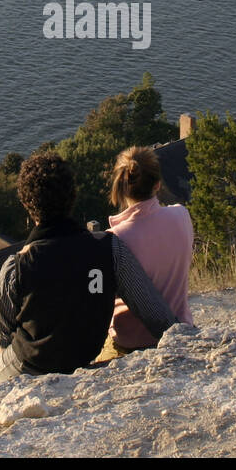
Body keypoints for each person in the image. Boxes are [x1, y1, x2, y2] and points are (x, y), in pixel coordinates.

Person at [0, 151, 179, 390]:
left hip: (29, 368)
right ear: (73, 197)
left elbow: (5, 341)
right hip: (84, 359)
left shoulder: (15, 268)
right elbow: (157, 316)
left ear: (26, 205)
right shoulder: (109, 248)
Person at [95, 147, 194, 363]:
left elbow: (97, 301)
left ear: (121, 187)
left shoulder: (113, 240)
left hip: (130, 345)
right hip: (181, 332)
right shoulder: (182, 215)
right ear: (157, 184)